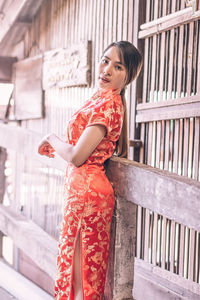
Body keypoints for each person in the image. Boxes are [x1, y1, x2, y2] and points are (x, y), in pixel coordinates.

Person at [38, 41, 142, 300]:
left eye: (117, 66)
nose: (106, 69)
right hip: (82, 195)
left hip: (87, 199)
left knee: (81, 282)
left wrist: (52, 138)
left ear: (128, 76)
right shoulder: (101, 100)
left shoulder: (108, 106)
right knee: (78, 277)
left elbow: (77, 156)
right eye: (105, 61)